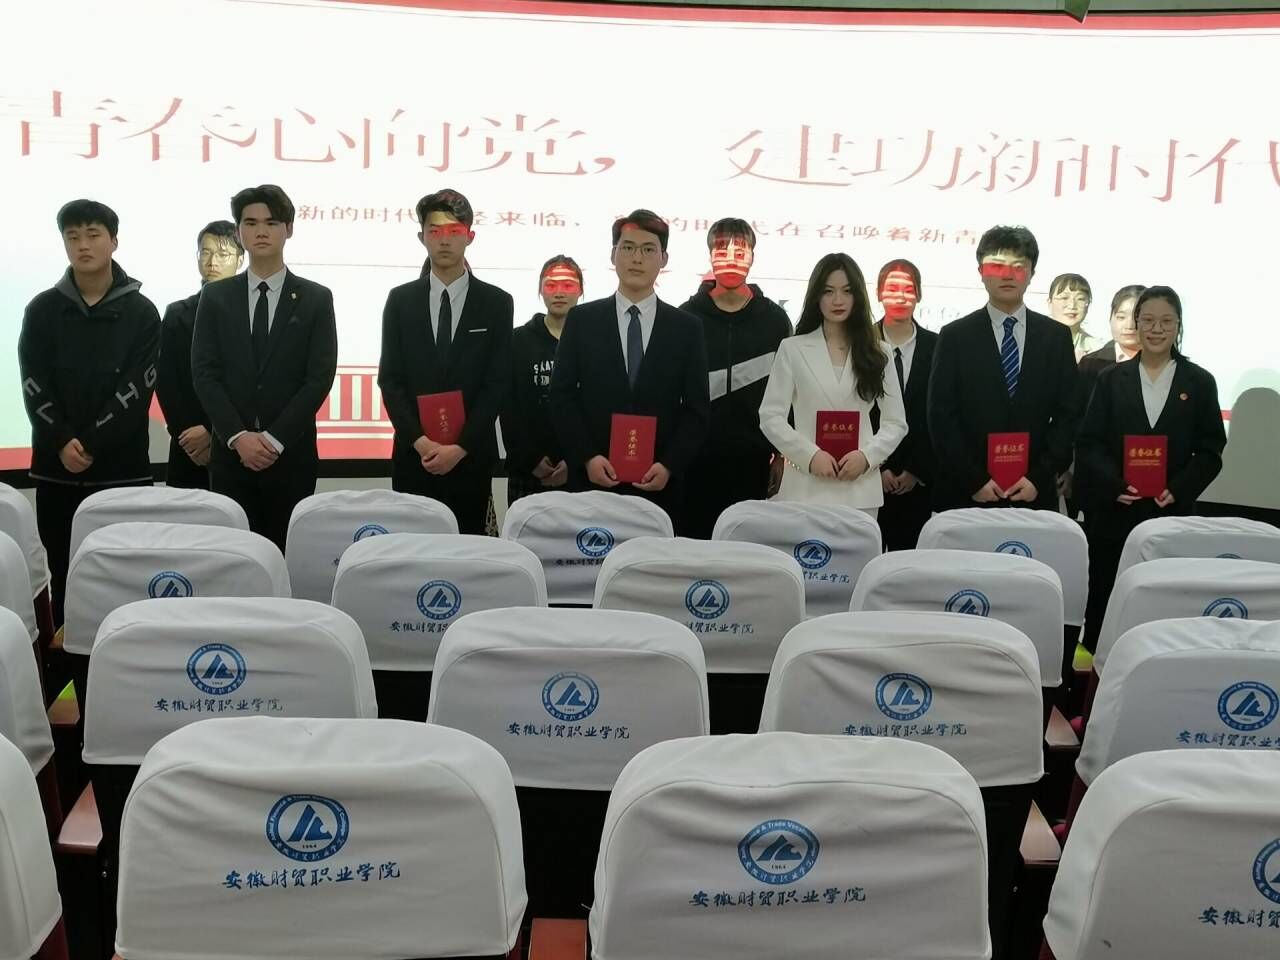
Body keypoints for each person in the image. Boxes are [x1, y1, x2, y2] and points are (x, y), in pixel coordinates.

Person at [19, 199, 160, 629]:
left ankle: (127, 647)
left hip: (122, 471)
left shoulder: (142, 312)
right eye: (73, 236)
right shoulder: (42, 309)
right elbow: (33, 383)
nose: (83, 245)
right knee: (64, 573)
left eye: (93, 234)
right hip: (57, 469)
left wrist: (93, 443)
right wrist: (63, 440)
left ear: (114, 241)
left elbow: (137, 390)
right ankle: (68, 661)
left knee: (126, 574)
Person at [1074, 286, 1225, 652]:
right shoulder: (1112, 378)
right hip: (1115, 513)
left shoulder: (1199, 381)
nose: (1157, 329)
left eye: (1166, 321)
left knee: (1164, 603)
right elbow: (1089, 442)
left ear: (1178, 326)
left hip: (1170, 514)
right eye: (1148, 320)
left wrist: (1180, 488)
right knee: (1107, 599)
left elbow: (1211, 450)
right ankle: (1097, 676)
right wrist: (1113, 484)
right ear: (1137, 323)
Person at [191, 184, 337, 552]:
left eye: (271, 223)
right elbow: (205, 373)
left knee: (285, 557)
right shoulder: (216, 297)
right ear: (239, 231)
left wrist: (274, 439)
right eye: (250, 223)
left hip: (291, 456)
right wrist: (238, 437)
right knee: (232, 557)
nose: (261, 231)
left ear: (288, 229)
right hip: (231, 457)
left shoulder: (316, 298)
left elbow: (318, 377)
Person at [548, 209, 710, 524]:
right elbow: (561, 396)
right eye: (628, 247)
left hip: (659, 487)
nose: (637, 258)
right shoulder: (582, 320)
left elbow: (697, 409)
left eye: (648, 249)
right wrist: (587, 457)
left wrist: (669, 466)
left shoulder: (686, 328)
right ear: (613, 255)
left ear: (664, 259)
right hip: (592, 484)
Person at [378, 188, 513, 534]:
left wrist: (461, 447)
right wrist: (420, 442)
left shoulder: (497, 303)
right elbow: (390, 380)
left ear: (470, 236)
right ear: (422, 237)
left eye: (454, 231)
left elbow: (497, 384)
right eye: (435, 231)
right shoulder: (401, 300)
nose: (444, 240)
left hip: (471, 457)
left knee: (466, 551)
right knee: (412, 549)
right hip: (414, 456)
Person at [927, 225, 1078, 512]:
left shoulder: (1056, 337)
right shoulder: (955, 336)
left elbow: (1069, 414)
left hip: (1033, 494)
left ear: (1032, 273)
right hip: (967, 494)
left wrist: (1038, 477)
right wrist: (974, 480)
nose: (1007, 275)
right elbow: (941, 416)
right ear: (981, 272)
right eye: (996, 266)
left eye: (1018, 267)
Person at [758, 253, 906, 514]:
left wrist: (867, 457)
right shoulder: (792, 349)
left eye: (847, 291)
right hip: (804, 487)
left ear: (857, 296)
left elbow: (895, 422)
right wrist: (809, 456)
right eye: (829, 291)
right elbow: (771, 416)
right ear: (817, 296)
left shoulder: (879, 352)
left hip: (859, 489)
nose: (838, 300)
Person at [679, 218, 792, 538]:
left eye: (740, 251)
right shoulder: (685, 317)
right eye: (721, 250)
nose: (730, 258)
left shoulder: (775, 320)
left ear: (753, 257)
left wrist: (781, 454)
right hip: (694, 461)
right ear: (709, 255)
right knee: (693, 550)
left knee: (746, 552)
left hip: (754, 463)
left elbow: (787, 390)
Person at [156, 221, 243, 489]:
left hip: (239, 446)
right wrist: (188, 435)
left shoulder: (254, 314)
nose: (212, 262)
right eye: (205, 252)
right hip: (188, 447)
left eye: (223, 254)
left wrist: (214, 432)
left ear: (240, 260)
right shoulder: (177, 314)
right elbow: (166, 381)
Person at [500, 255, 581, 505]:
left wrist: (576, 459)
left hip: (578, 471)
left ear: (580, 291)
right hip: (527, 471)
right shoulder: (517, 341)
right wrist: (530, 460)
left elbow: (596, 408)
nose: (559, 293)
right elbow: (508, 407)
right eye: (551, 285)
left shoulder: (592, 343)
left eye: (568, 285)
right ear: (540, 291)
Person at [872, 259, 937, 548]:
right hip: (865, 478)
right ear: (878, 293)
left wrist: (916, 469)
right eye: (892, 288)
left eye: (908, 289)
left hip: (919, 483)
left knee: (910, 563)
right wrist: (877, 467)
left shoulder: (939, 347)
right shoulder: (858, 344)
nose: (900, 296)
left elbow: (939, 415)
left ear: (919, 295)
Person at [1048, 273, 1103, 360]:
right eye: (1064, 298)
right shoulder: (1032, 341)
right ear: (1050, 303)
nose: (1072, 305)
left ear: (1088, 305)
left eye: (1080, 299)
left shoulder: (1098, 349)